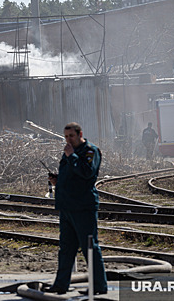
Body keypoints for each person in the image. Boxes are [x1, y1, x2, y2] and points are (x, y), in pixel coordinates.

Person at [43, 122, 108, 295]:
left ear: (80, 134)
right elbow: (72, 175)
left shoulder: (89, 151)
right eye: (65, 136)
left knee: (89, 247)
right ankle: (61, 284)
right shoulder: (69, 152)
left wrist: (72, 156)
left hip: (83, 207)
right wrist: (57, 181)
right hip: (67, 207)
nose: (68, 140)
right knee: (66, 248)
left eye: (71, 136)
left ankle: (99, 286)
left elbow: (87, 173)